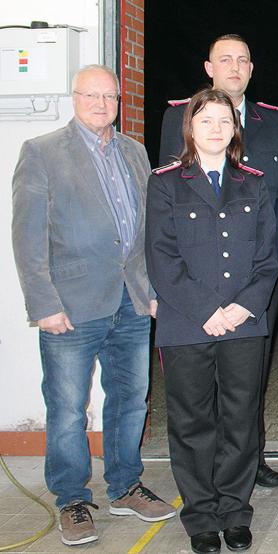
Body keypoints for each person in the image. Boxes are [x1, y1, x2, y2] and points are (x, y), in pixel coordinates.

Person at [11, 64, 175, 547]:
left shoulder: (134, 152)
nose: (101, 105)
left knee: (130, 399)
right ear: (74, 97)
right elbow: (27, 237)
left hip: (130, 302)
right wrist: (42, 302)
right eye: (91, 95)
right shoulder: (41, 153)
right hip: (70, 305)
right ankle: (72, 499)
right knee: (66, 408)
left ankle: (125, 485)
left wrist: (150, 291)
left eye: (110, 97)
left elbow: (144, 229)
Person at [146, 88, 278, 554]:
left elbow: (268, 257)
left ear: (235, 129)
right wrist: (207, 310)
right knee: (192, 424)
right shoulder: (165, 183)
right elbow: (161, 258)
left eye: (225, 121)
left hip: (244, 323)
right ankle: (201, 514)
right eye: (206, 122)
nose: (217, 129)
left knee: (241, 421)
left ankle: (235, 511)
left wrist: (243, 306)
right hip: (187, 324)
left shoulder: (255, 183)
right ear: (190, 128)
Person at [159, 33, 278, 488]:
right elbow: (170, 208)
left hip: (256, 278)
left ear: (251, 69)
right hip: (196, 286)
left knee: (246, 384)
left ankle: (247, 465)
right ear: (209, 67)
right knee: (196, 401)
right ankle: (209, 475)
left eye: (243, 59)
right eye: (225, 59)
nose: (235, 66)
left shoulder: (273, 121)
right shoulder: (179, 117)